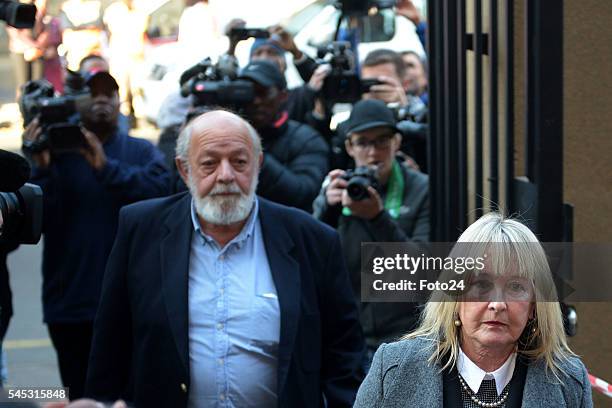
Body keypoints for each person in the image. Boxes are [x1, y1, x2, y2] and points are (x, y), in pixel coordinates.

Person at [85, 110, 364, 407]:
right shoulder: (141, 229)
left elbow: (343, 355)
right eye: (209, 163)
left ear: (257, 165)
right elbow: (110, 344)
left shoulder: (311, 239)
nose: (226, 175)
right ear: (184, 170)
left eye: (239, 162)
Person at [22, 70, 171, 400]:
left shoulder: (141, 151)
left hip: (131, 302)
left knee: (128, 396)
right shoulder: (58, 155)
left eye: (110, 92)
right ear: (79, 103)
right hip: (71, 303)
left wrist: (106, 168)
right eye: (94, 93)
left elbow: (163, 195)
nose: (103, 99)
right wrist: (42, 168)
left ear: (120, 102)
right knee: (80, 397)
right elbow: (35, 219)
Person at [354, 213, 593, 407]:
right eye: (482, 284)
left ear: (534, 306)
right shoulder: (394, 368)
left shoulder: (569, 382)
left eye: (515, 286)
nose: (498, 304)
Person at [313, 99, 429, 367]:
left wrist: (377, 218)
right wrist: (326, 212)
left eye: (382, 141)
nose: (373, 152)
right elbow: (314, 263)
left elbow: (424, 270)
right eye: (363, 142)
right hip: (349, 338)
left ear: (396, 142)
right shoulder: (340, 189)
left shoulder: (423, 189)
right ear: (349, 147)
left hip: (409, 339)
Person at [238, 59, 329, 212]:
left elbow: (303, 194)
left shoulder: (307, 140)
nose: (255, 101)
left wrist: (248, 149)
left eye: (263, 92)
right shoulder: (223, 136)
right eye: (249, 93)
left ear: (283, 96)